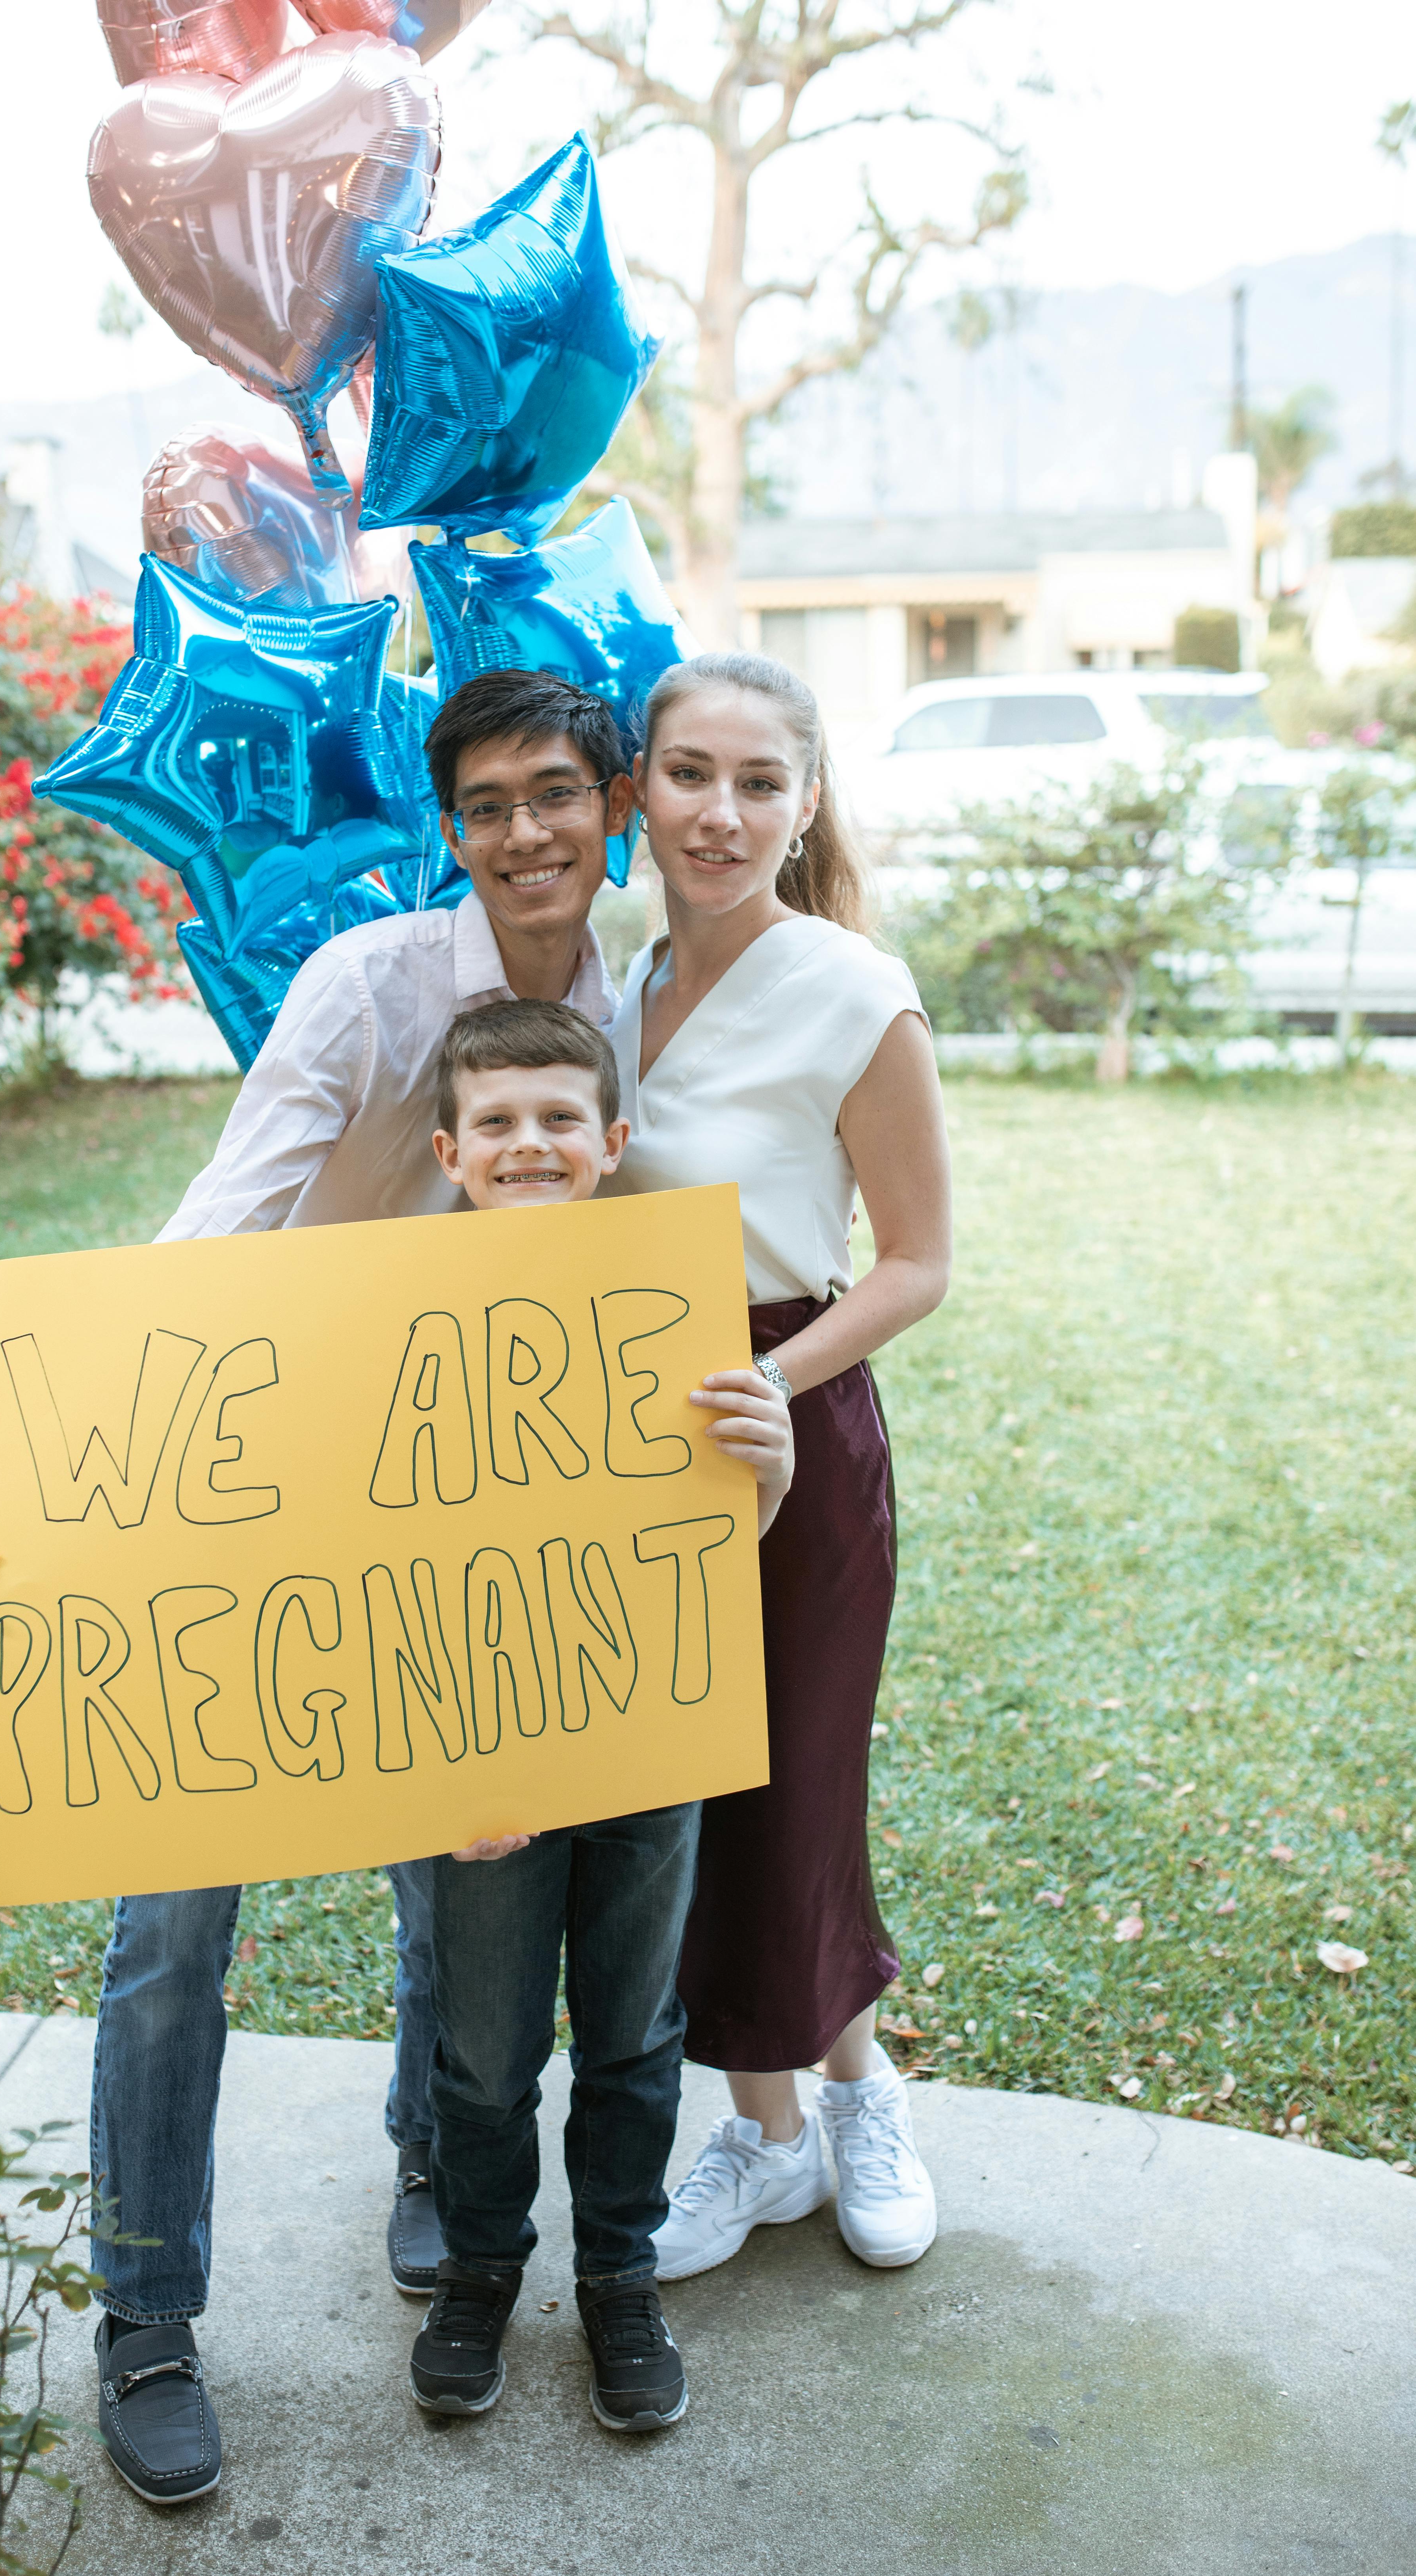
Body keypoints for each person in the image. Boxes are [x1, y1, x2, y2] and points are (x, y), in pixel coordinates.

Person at [0, 669, 637, 2506]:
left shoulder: (646, 989)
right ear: (451, 826)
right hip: (248, 1462)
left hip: (475, 1486)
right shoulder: (368, 984)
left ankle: (424, 2155)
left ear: (606, 801)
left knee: (451, 1877)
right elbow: (220, 1223)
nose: (525, 836)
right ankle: (146, 2316)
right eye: (485, 805)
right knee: (170, 1928)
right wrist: (47, 1490)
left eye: (555, 795)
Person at [595, 650, 953, 2286]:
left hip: (785, 1418)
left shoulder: (851, 988)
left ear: (805, 801)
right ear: (637, 792)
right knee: (683, 1795)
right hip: (614, 1436)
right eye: (688, 775)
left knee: (796, 1781)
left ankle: (860, 2092)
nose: (719, 813)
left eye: (757, 782)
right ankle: (763, 2138)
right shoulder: (609, 979)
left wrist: (770, 1377)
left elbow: (917, 1263)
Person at [407, 998, 793, 2433]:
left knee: (633, 2029)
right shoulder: (391, 1315)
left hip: (645, 1735)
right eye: (497, 1123)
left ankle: (619, 2275)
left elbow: (726, 1528)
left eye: (561, 1118)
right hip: (480, 1754)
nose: (529, 1144)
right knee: (488, 2047)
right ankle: (481, 2273)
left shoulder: (670, 1304)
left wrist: (770, 1454)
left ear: (612, 1140)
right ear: (450, 1148)